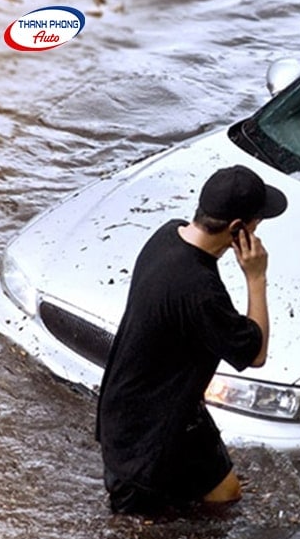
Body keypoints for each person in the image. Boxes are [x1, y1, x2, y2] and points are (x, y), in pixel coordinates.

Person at [95, 164, 287, 514]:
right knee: (142, 538)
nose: (259, 230)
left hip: (146, 411)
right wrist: (256, 277)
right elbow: (255, 353)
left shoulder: (167, 235)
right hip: (145, 440)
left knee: (225, 494)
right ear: (237, 229)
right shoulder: (199, 290)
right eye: (257, 222)